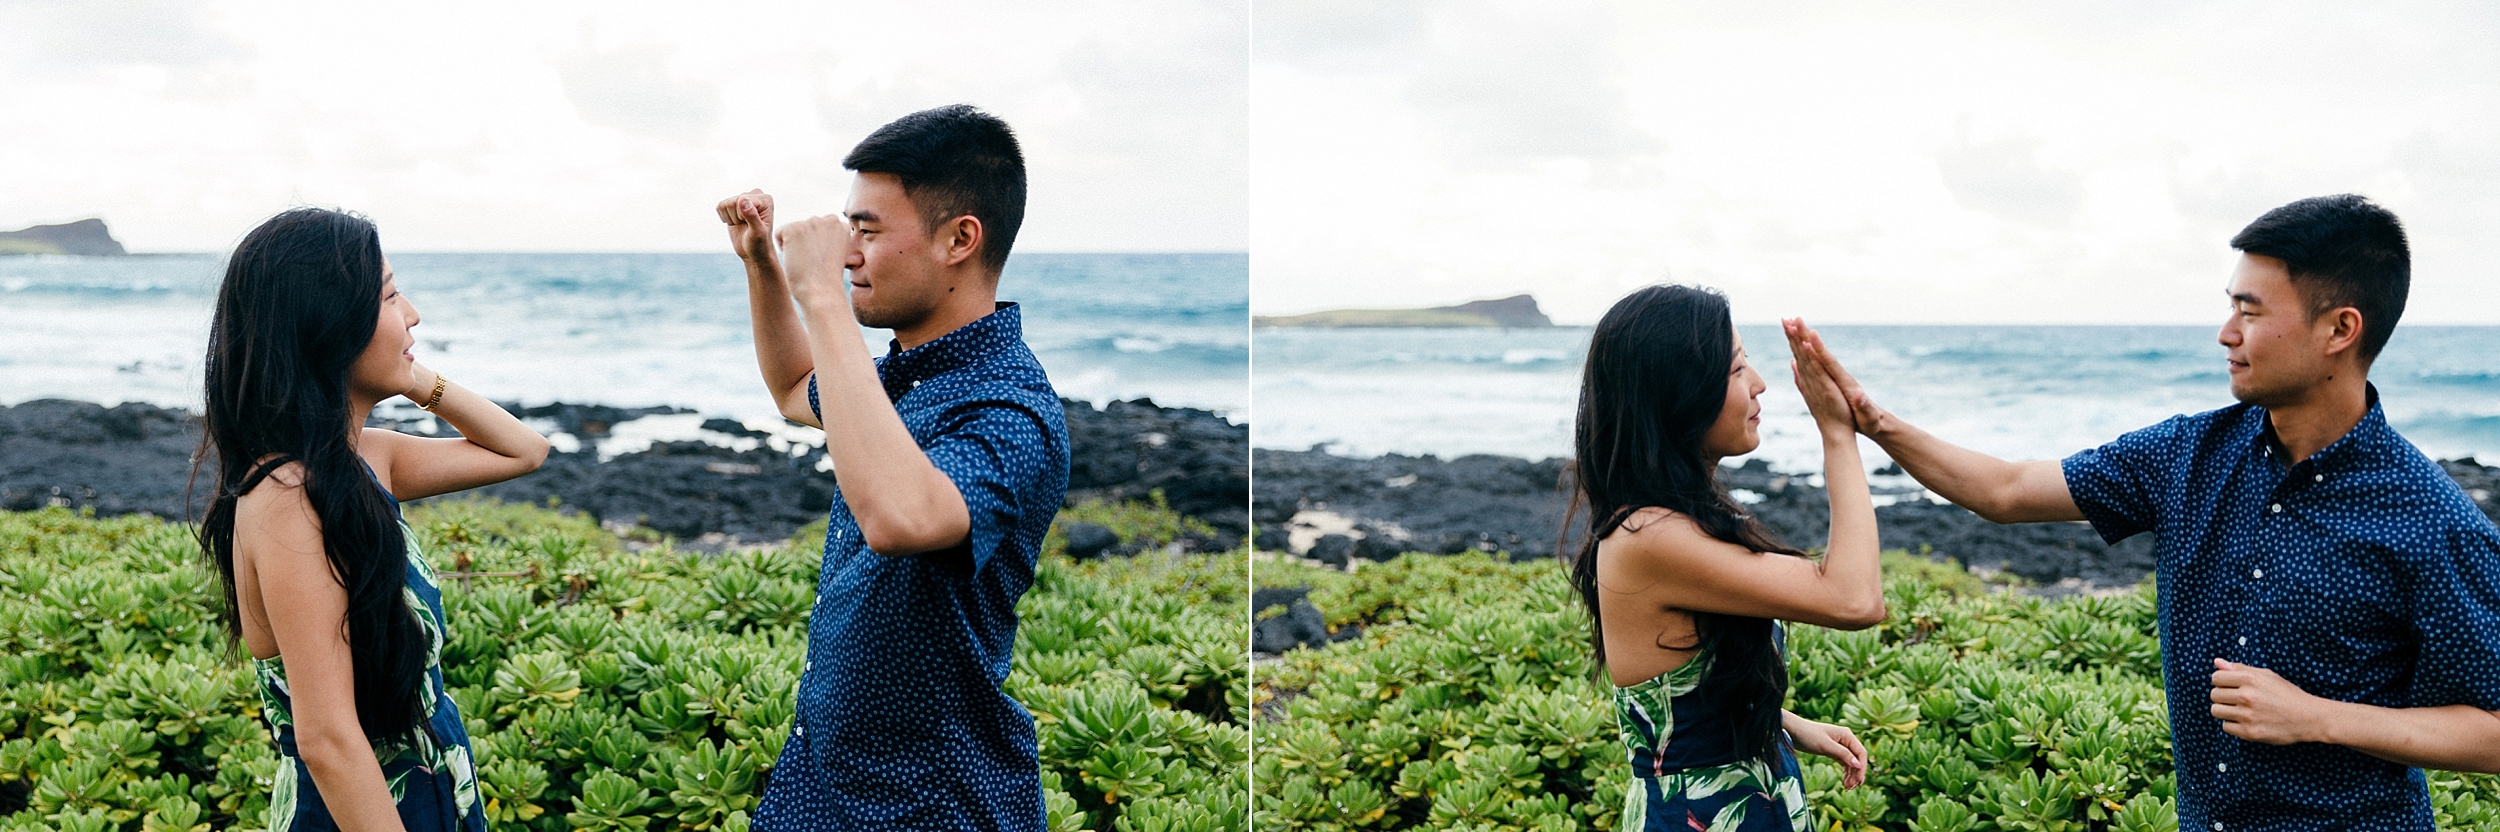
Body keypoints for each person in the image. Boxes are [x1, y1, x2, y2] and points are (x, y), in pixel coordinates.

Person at [1801, 194, 2500, 830]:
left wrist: (2320, 719)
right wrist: (1868, 420)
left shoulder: (2431, 521)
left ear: (2339, 329)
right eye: (2232, 306)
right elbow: (2006, 490)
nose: (2227, 333)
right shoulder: (2188, 453)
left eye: (2251, 311)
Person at [715, 105, 1071, 830]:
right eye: (848, 234)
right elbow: (793, 388)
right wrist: (762, 264)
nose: (848, 256)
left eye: (868, 233)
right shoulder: (899, 381)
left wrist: (824, 300)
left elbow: (901, 517)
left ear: (959, 239)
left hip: (929, 803)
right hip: (822, 786)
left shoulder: (1011, 411)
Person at [195, 207, 551, 832]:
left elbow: (523, 450)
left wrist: (416, 378)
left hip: (432, 798)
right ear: (329, 325)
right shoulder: (289, 497)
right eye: (389, 296)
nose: (412, 313)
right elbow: (328, 740)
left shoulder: (364, 460)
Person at [1566, 285, 1880, 832]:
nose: (1759, 384)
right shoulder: (1650, 536)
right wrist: (1837, 434)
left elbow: (1678, 692)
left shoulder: (1669, 521)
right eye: (1737, 369)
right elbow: (1854, 599)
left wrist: (1783, 724)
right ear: (1680, 394)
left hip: (1747, 799)